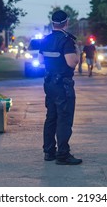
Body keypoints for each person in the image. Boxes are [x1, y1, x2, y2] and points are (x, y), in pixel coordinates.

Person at [39, 10, 82, 165]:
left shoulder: (45, 40)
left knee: (51, 117)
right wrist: (77, 53)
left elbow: (41, 59)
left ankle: (49, 152)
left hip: (49, 83)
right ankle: (63, 155)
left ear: (52, 23)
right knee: (64, 118)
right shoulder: (67, 41)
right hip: (63, 85)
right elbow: (71, 62)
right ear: (66, 22)